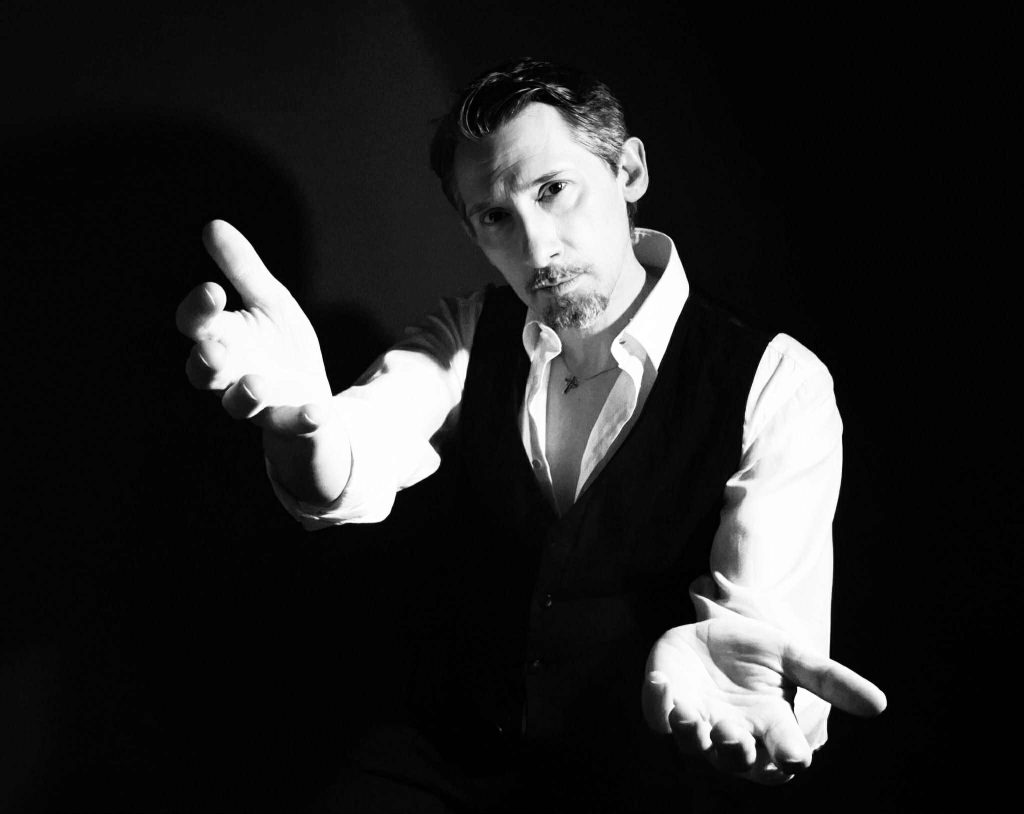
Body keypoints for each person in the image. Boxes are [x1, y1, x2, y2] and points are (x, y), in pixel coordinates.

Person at [175, 58, 885, 812]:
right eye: (495, 217)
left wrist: (749, 696)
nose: (537, 249)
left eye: (553, 190)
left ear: (629, 171)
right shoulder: (467, 333)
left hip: (642, 783)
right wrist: (303, 433)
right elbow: (365, 437)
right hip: (453, 761)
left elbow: (763, 644)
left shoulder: (777, 383)